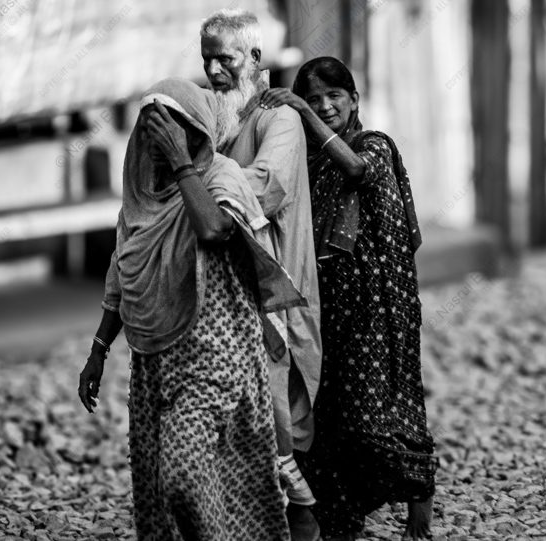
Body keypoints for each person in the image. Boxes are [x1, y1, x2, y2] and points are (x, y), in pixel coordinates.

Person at [78, 78, 302, 540]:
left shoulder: (220, 175)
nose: (159, 147)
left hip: (217, 358)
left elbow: (215, 230)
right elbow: (122, 274)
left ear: (196, 131)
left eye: (173, 133)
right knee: (164, 488)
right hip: (156, 363)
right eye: (151, 136)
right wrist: (98, 350)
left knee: (180, 474)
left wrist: (183, 164)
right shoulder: (141, 197)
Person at [260, 56, 439, 540]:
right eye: (314, 99)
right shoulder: (309, 163)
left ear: (354, 100)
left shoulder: (372, 145)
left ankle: (419, 503)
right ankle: (339, 521)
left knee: (376, 416)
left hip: (380, 306)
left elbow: (358, 171)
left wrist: (301, 111)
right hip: (329, 304)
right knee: (330, 415)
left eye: (333, 96)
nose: (326, 106)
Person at [200, 10, 323, 539]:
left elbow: (264, 187)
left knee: (276, 406)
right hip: (231, 298)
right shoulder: (219, 123)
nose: (213, 69)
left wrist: (194, 184)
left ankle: (303, 518)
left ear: (254, 60)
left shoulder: (281, 121)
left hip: (274, 295)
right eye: (206, 59)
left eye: (224, 58)